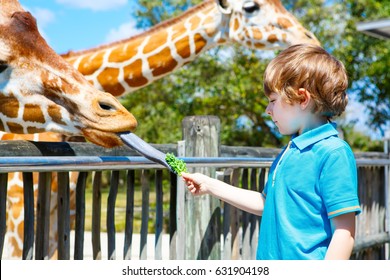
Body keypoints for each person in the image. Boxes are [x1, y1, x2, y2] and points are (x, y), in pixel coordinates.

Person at [181, 44, 361, 260]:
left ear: (302, 99)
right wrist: (209, 185)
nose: (268, 110)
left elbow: (344, 232)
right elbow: (266, 203)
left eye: (273, 101)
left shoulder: (333, 153)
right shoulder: (290, 151)